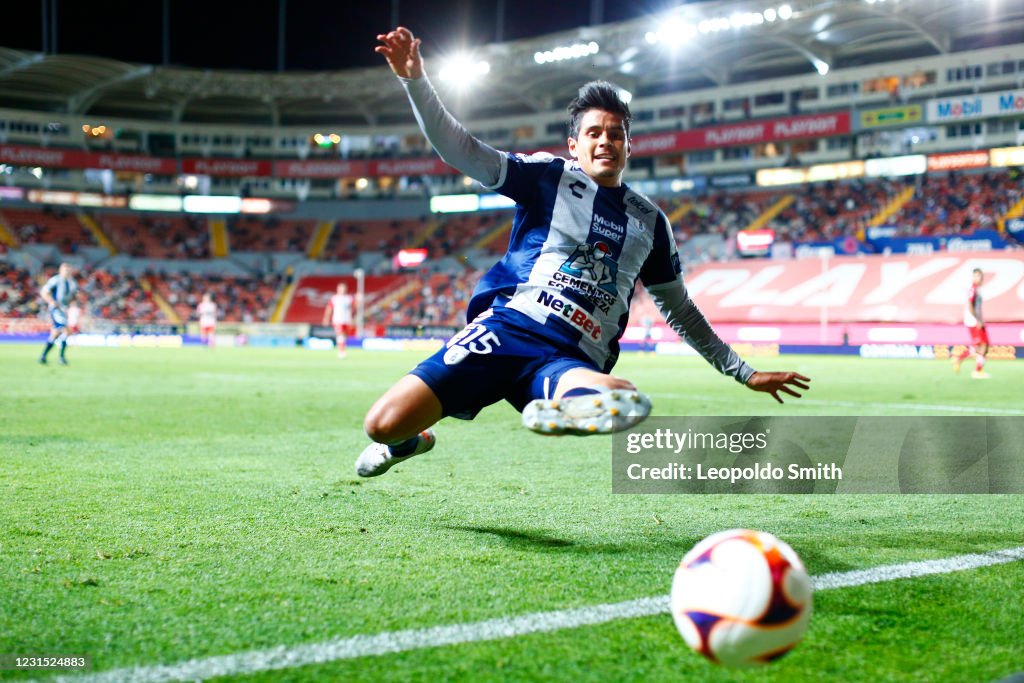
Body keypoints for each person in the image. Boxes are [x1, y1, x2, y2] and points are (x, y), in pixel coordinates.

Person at [355, 27, 810, 477]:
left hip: (571, 357)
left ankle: (577, 407)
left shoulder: (650, 222)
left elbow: (680, 311)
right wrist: (415, 79)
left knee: (619, 397)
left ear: (629, 146)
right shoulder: (548, 177)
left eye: (616, 134)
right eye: (594, 133)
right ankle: (409, 443)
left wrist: (743, 372)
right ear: (575, 145)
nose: (605, 141)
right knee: (382, 425)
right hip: (509, 328)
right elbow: (462, 151)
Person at [952, 268, 989, 379]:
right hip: (974, 322)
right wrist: (978, 320)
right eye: (976, 276)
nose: (979, 278)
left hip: (976, 320)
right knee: (982, 346)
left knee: (982, 346)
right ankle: (976, 370)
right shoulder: (973, 289)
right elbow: (970, 305)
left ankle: (960, 359)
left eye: (980, 276)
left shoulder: (977, 289)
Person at [38, 262, 77, 366]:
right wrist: (51, 301)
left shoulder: (71, 283)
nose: (67, 272)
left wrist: (72, 306)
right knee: (66, 331)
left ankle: (43, 356)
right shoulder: (55, 280)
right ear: (60, 270)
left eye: (69, 270)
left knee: (56, 334)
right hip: (56, 310)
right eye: (65, 270)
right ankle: (61, 358)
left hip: (64, 310)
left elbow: (72, 297)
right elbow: (44, 292)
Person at [322, 281, 354, 359]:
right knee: (340, 334)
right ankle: (341, 351)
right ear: (338, 289)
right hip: (337, 319)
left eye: (343, 288)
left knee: (344, 336)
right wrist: (326, 318)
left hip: (347, 319)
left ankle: (342, 349)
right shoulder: (334, 298)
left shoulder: (348, 298)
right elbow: (329, 308)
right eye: (341, 288)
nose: (342, 290)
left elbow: (353, 307)